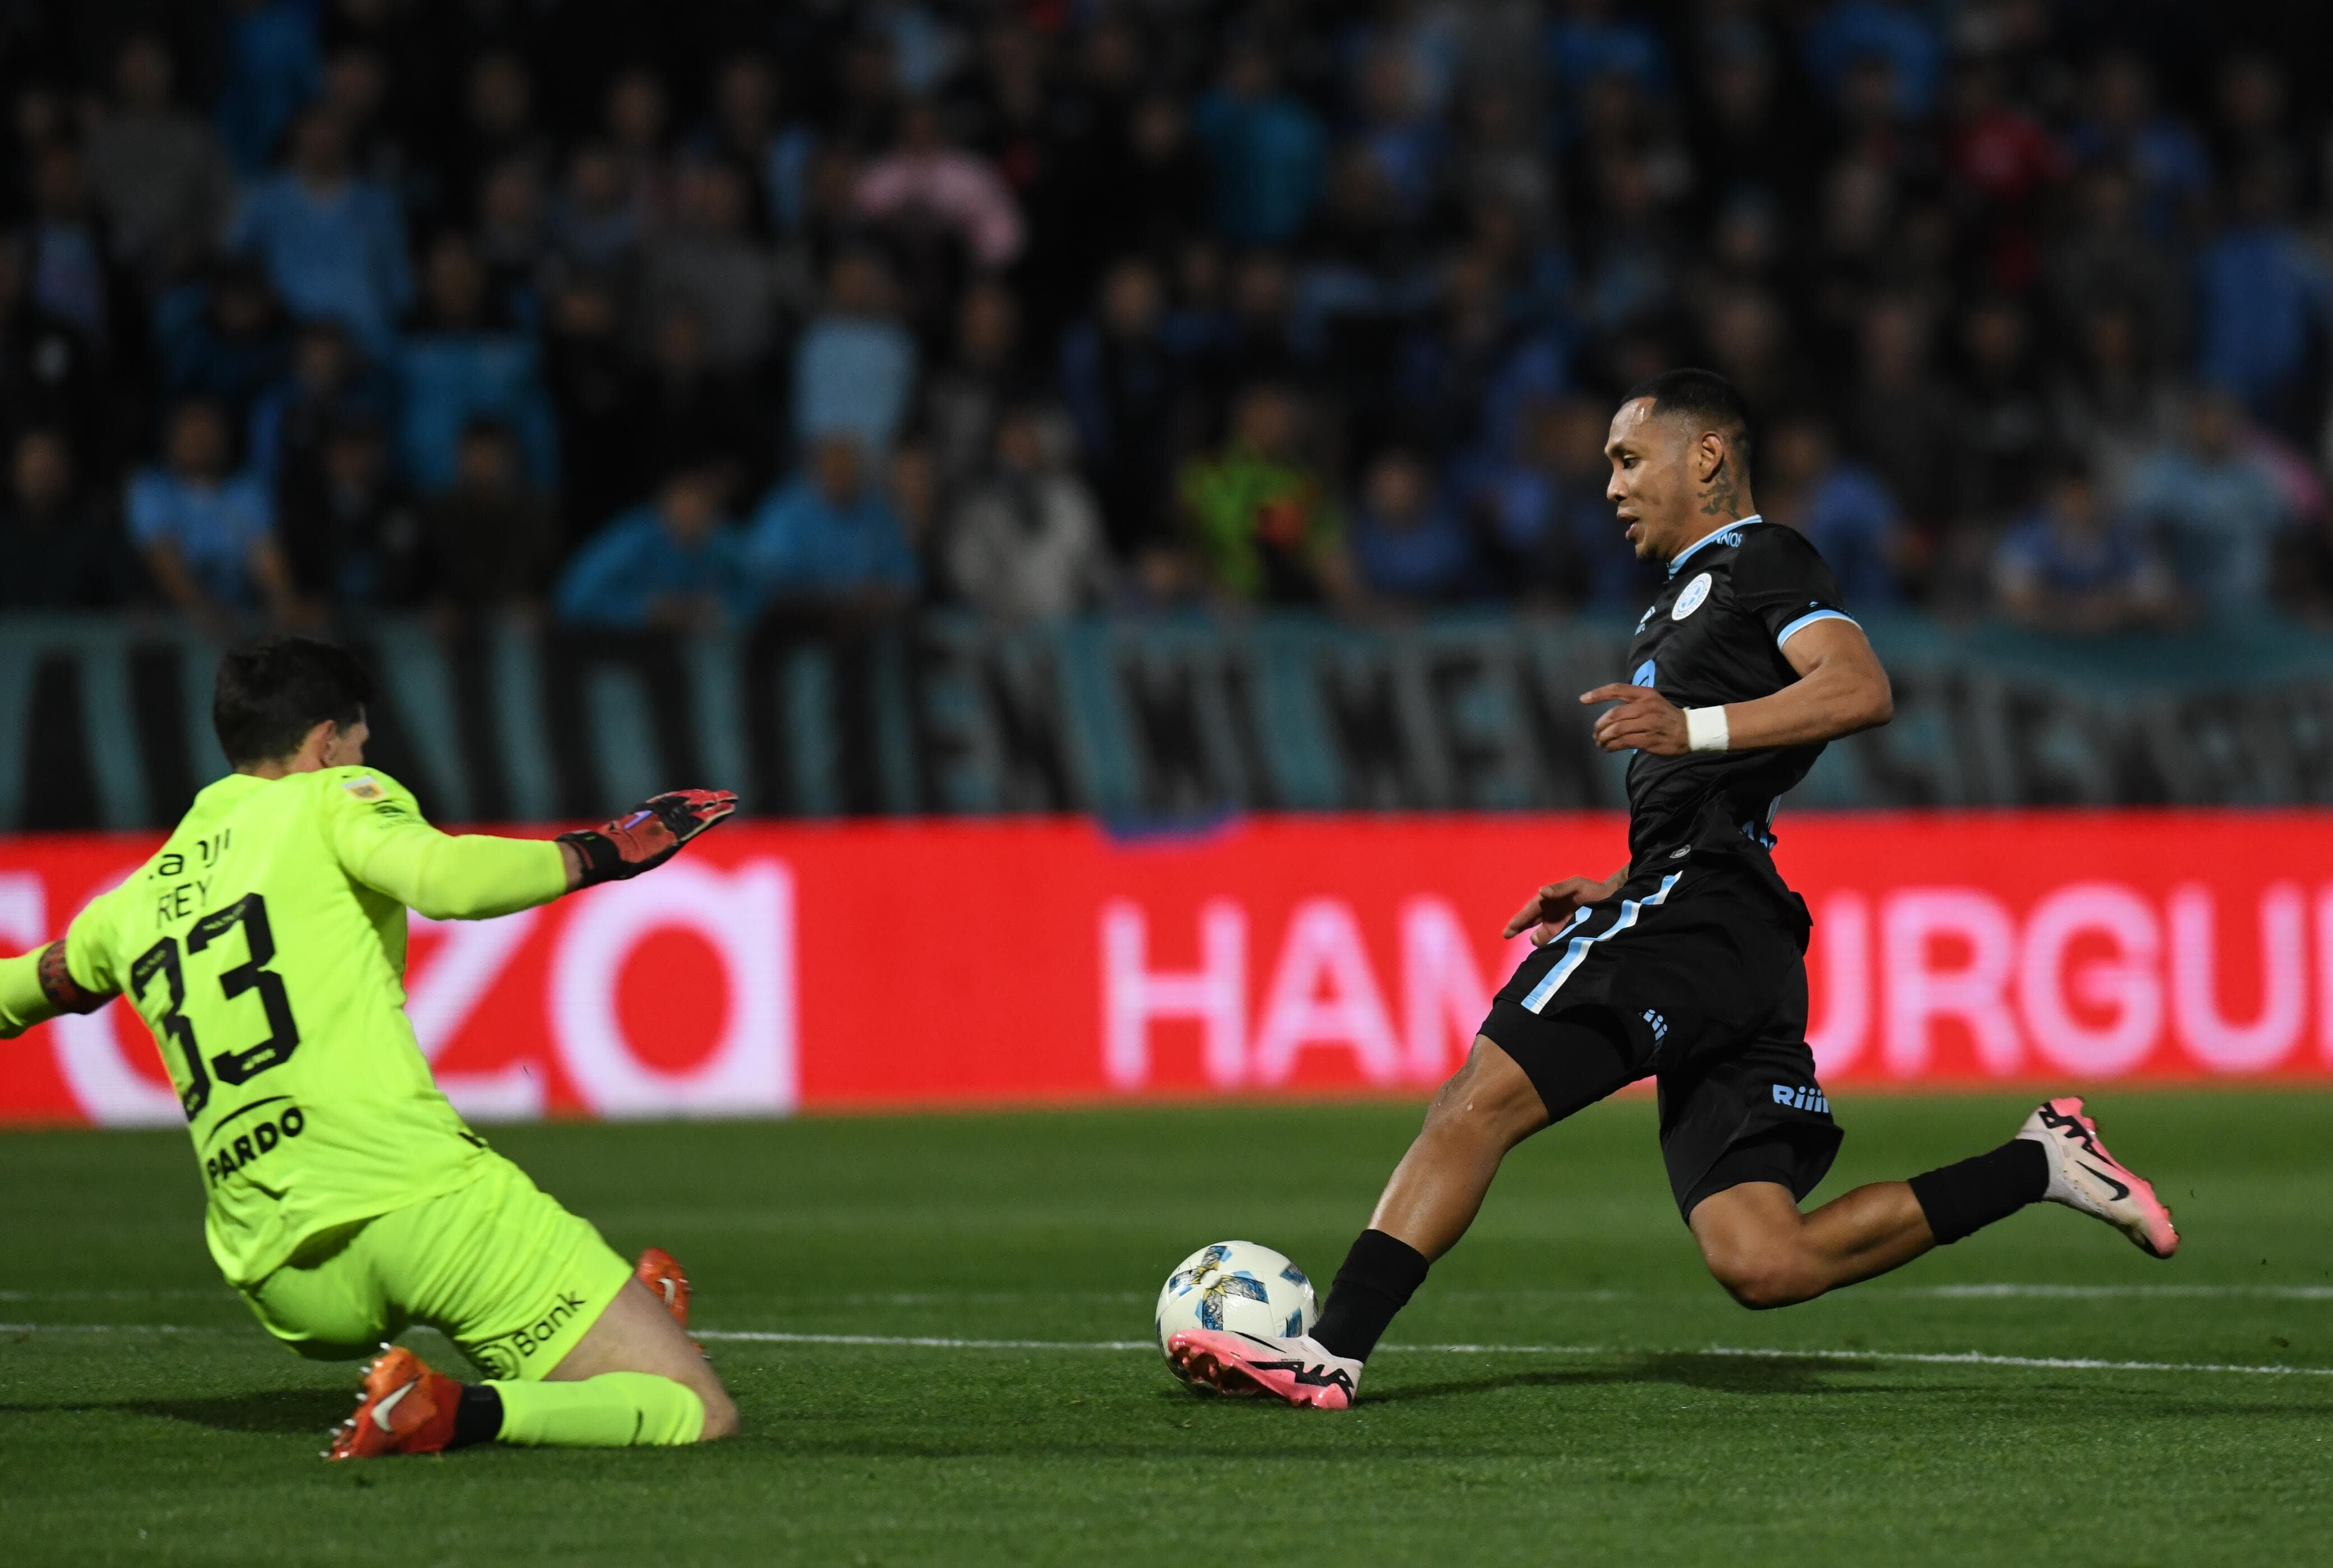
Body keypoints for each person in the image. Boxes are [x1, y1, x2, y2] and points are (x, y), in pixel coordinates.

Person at [1166, 371, 2179, 1408]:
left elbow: (1860, 688)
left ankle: (1329, 1352)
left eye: (1626, 459)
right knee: (1765, 1259)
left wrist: (1687, 736)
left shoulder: (1763, 557)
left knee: (1473, 1105)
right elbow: (1722, 791)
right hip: (1723, 922)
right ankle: (2040, 1162)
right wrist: (1623, 880)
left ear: (1706, 457)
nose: (1609, 486)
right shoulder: (1683, 597)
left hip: (1701, 909)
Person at [0, 635, 739, 1458]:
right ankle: (454, 1410)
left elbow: (21, 992)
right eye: (359, 741)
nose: (366, 757)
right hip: (412, 1204)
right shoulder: (332, 798)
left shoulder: (126, 906)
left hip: (279, 1273)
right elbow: (445, 880)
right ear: (324, 743)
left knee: (602, 1338)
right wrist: (606, 849)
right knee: (693, 1410)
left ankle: (615, 1321)